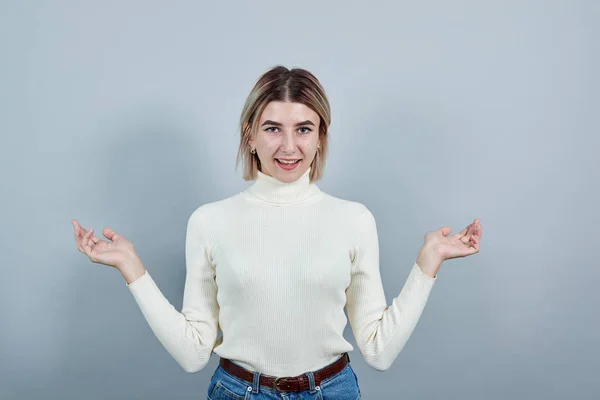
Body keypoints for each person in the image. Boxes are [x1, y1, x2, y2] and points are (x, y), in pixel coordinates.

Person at [72, 65, 482, 399]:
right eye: (272, 128)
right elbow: (194, 353)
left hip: (332, 391)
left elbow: (378, 349)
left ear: (321, 137)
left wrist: (428, 263)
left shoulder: (354, 219)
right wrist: (132, 268)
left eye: (304, 129)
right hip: (237, 392)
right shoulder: (209, 221)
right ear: (249, 134)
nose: (289, 146)